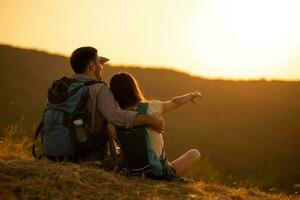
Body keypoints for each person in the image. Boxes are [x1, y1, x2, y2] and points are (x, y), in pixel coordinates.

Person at [49, 46, 164, 162]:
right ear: (92, 66)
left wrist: (97, 66)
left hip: (55, 153)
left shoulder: (61, 88)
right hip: (88, 157)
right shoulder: (99, 89)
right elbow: (117, 117)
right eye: (98, 62)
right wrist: (149, 119)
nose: (100, 65)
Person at [109, 72, 201, 179]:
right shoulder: (152, 107)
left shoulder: (116, 119)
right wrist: (191, 95)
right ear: (135, 88)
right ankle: (173, 179)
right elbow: (174, 102)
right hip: (158, 173)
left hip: (134, 171)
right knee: (195, 154)